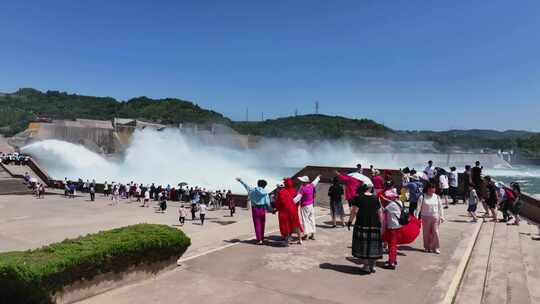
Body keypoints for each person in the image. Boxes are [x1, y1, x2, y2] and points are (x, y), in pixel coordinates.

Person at [347, 184, 383, 274]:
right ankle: (373, 266)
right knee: (373, 245)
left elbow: (354, 211)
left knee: (363, 245)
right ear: (369, 189)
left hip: (362, 224)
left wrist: (350, 221)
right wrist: (381, 223)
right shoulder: (375, 198)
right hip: (375, 224)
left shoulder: (359, 198)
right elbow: (380, 212)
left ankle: (366, 266)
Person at [236, 177, 272, 245]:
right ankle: (262, 237)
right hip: (262, 209)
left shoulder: (252, 190)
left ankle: (259, 240)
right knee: (262, 224)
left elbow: (246, 186)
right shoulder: (266, 193)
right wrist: (271, 210)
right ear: (264, 185)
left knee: (257, 224)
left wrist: (241, 180)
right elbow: (267, 203)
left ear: (258, 184)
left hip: (255, 209)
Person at [273, 178, 303, 245]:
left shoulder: (281, 192)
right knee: (296, 224)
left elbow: (279, 203)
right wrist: (296, 207)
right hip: (293, 210)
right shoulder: (293, 191)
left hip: (285, 211)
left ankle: (287, 241)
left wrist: (275, 209)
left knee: (286, 225)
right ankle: (300, 239)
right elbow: (296, 201)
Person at [416, 182, 444, 254]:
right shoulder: (422, 197)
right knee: (426, 233)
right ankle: (427, 247)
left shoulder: (437, 197)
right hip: (425, 217)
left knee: (435, 232)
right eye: (431, 190)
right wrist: (416, 217)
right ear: (427, 189)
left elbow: (440, 207)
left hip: (435, 217)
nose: (432, 191)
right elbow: (418, 208)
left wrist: (442, 216)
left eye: (433, 189)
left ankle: (436, 247)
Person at [294, 175, 321, 240]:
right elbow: (315, 182)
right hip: (311, 205)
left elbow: (298, 198)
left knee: (305, 220)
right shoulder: (311, 186)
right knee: (312, 219)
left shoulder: (302, 189)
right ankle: (313, 235)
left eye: (302, 181)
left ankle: (306, 235)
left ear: (304, 182)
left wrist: (291, 202)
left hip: (304, 206)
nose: (301, 182)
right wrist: (318, 177)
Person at [384, 198, 403, 269]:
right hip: (398, 226)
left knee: (392, 245)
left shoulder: (391, 204)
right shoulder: (399, 202)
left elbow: (384, 210)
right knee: (394, 244)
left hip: (392, 227)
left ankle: (391, 263)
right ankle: (393, 260)